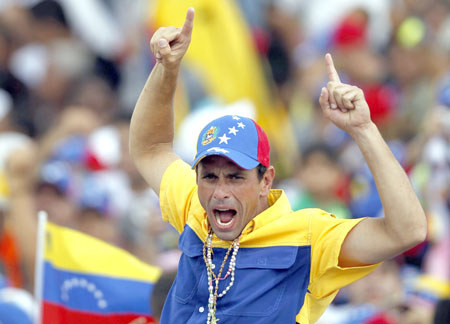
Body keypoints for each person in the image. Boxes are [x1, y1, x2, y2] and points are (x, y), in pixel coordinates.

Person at [129, 8, 427, 324]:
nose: (220, 191)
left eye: (235, 177)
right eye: (210, 176)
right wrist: (167, 69)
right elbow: (150, 148)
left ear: (265, 180)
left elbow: (407, 231)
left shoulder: (307, 237)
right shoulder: (194, 204)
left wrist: (364, 130)